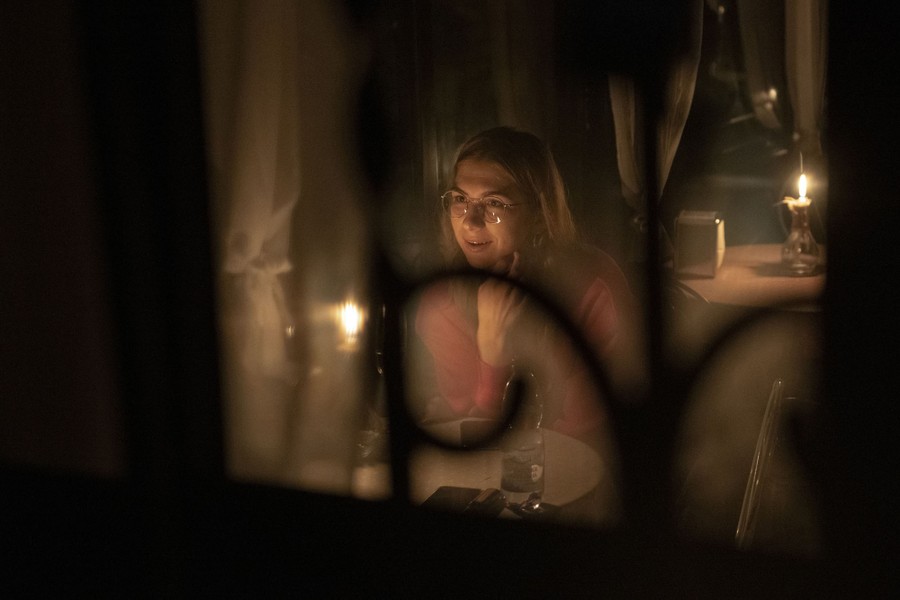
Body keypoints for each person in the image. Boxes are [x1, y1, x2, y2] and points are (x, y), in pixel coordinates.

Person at [412, 126, 639, 444]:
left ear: (537, 213)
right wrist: (493, 352)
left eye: (494, 204)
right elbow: (472, 442)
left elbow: (591, 430)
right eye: (460, 200)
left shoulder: (590, 284)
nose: (471, 221)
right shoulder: (442, 303)